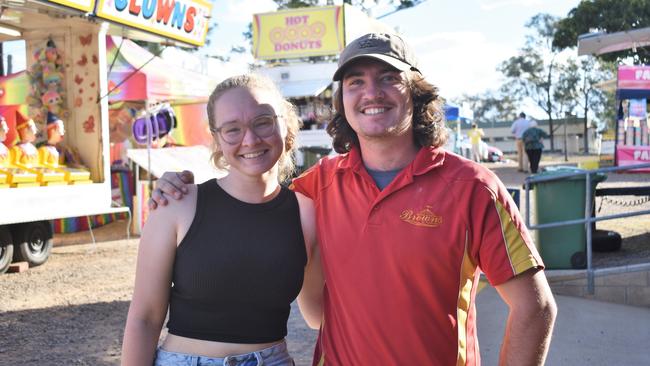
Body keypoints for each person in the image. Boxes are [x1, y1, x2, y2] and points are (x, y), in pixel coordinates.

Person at [150, 33, 557, 365]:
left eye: (387, 78)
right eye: (355, 82)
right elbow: (250, 195)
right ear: (342, 99)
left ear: (415, 92)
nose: (371, 92)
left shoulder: (472, 187)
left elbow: (535, 308)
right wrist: (176, 186)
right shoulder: (316, 187)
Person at [121, 74, 323, 366]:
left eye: (263, 122)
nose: (250, 139)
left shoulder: (307, 213)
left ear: (286, 125)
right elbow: (144, 318)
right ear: (216, 139)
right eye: (232, 129)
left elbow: (317, 315)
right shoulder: (176, 204)